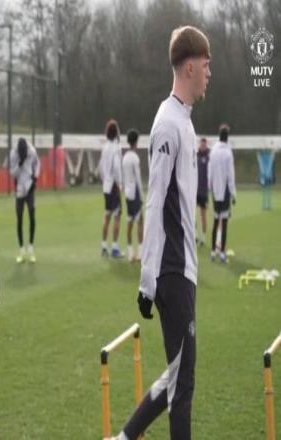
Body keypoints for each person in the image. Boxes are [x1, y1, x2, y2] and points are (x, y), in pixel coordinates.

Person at [114, 26, 211, 440]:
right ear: (189, 67)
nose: (209, 74)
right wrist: (147, 279)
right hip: (171, 269)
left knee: (178, 374)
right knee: (183, 383)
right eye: (206, 66)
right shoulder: (168, 124)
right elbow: (154, 202)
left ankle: (124, 437)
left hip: (182, 267)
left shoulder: (183, 122)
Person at [10, 137, 41, 263]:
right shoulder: (13, 154)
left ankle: (31, 248)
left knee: (32, 214)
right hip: (19, 189)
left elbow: (37, 163)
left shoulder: (32, 151)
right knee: (19, 218)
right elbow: (12, 173)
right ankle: (21, 250)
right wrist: (19, 164)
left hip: (30, 187)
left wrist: (35, 177)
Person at [208, 124, 236, 263]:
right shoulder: (228, 153)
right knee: (224, 223)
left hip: (215, 191)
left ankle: (213, 251)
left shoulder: (213, 151)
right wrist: (233, 194)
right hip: (224, 191)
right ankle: (223, 253)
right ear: (227, 137)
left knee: (215, 221)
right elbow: (230, 175)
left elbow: (210, 172)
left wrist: (209, 188)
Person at [99, 119, 123, 258]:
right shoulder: (116, 148)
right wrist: (119, 184)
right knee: (117, 216)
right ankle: (114, 247)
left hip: (106, 186)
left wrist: (105, 181)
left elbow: (101, 167)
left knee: (107, 215)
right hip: (113, 185)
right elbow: (116, 167)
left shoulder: (105, 147)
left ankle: (103, 245)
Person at [122, 129, 144, 262]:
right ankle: (140, 253)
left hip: (127, 193)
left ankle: (130, 252)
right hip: (135, 192)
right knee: (140, 221)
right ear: (136, 142)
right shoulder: (135, 158)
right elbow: (138, 178)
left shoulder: (124, 157)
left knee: (130, 221)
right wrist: (141, 195)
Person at [196, 137, 210, 246]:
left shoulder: (209, 157)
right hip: (194, 190)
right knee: (192, 214)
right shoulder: (195, 156)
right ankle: (195, 235)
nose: (203, 146)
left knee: (203, 215)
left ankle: (203, 238)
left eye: (204, 145)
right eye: (201, 144)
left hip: (204, 191)